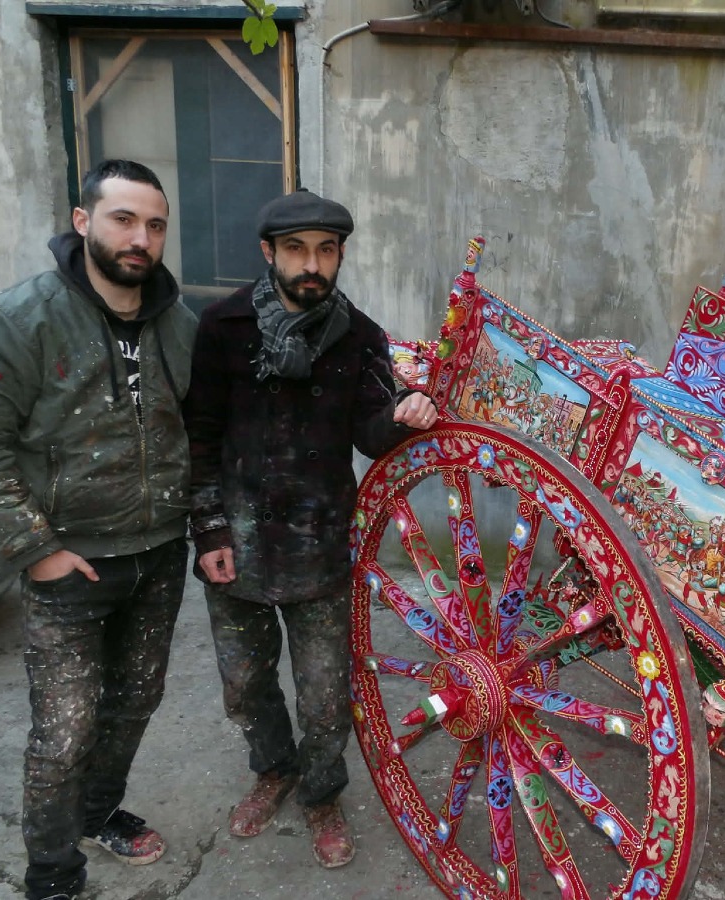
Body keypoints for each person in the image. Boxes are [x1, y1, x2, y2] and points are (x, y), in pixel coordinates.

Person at [182, 188, 438, 868]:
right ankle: (273, 771)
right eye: (296, 249)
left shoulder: (360, 336)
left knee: (326, 693)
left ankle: (321, 793)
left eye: (326, 250)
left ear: (341, 255)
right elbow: (199, 438)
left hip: (321, 543)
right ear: (268, 252)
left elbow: (371, 435)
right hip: (235, 542)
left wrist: (402, 418)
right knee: (245, 681)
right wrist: (209, 533)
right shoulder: (223, 326)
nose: (311, 264)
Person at [0, 159, 196, 900]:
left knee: (136, 702)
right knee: (63, 732)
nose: (140, 238)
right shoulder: (17, 319)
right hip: (68, 565)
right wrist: (35, 552)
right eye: (123, 219)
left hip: (159, 554)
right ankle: (52, 877)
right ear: (83, 222)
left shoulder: (179, 322)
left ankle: (99, 813)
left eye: (154, 224)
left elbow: (203, 427)